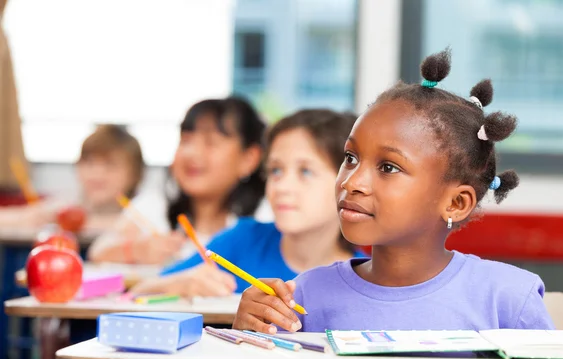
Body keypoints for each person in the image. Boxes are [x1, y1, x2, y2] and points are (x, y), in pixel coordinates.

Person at [233, 49, 555, 334]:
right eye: (350, 158)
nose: (351, 181)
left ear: (456, 203)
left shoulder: (508, 301)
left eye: (388, 167)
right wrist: (247, 335)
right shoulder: (303, 297)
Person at [130, 109, 366, 297]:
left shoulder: (365, 274)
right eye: (275, 170)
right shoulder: (242, 239)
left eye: (305, 171)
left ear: (348, 181)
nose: (281, 186)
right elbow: (139, 292)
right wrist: (180, 284)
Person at [88, 97, 269, 268]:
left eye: (210, 142)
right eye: (186, 140)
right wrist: (136, 251)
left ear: (249, 158)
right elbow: (97, 253)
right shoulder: (155, 206)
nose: (191, 153)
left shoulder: (266, 218)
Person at [0, 124, 144, 232]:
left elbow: (137, 225)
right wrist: (34, 217)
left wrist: (80, 223)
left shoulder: (144, 206)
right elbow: (22, 216)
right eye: (89, 163)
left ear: (134, 174)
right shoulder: (72, 204)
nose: (97, 173)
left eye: (110, 165)